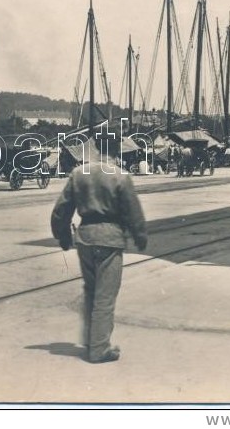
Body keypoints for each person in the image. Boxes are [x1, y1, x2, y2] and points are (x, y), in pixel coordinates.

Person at [50, 138, 148, 364]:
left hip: (85, 238)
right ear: (116, 151)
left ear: (96, 149)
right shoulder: (120, 176)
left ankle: (90, 340)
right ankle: (99, 348)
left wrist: (63, 236)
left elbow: (61, 210)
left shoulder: (78, 173)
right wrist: (140, 236)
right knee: (105, 296)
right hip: (109, 239)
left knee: (91, 292)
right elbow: (133, 212)